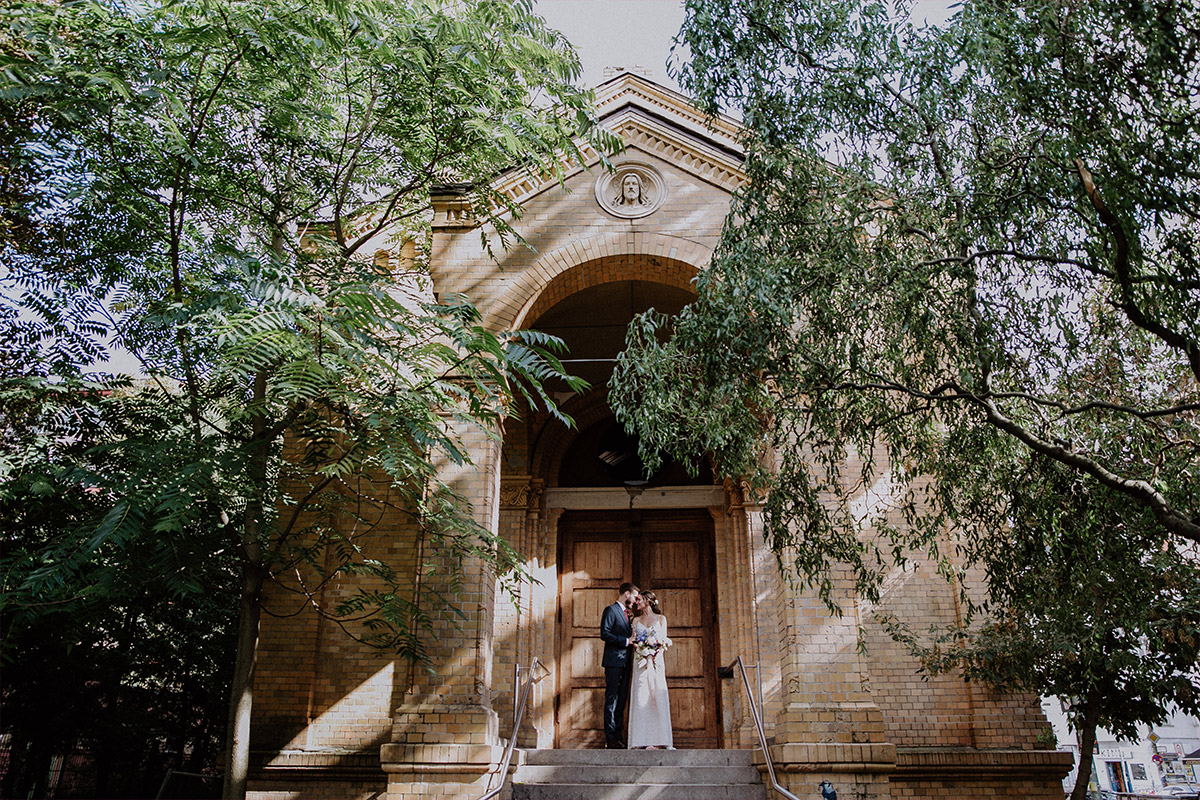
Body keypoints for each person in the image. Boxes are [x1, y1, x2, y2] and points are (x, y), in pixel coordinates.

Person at [627, 590, 673, 749]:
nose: (636, 602)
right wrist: (642, 649)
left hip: (656, 662)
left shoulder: (661, 619)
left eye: (639, 600)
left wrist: (654, 651)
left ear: (647, 601)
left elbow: (664, 640)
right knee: (641, 697)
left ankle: (659, 740)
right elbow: (633, 640)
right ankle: (640, 740)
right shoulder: (635, 620)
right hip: (640, 662)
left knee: (656, 696)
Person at [600, 582, 639, 749]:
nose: (636, 601)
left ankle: (618, 736)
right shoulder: (610, 610)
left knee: (622, 699)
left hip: (626, 663)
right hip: (614, 662)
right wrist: (626, 641)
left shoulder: (627, 614)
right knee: (612, 699)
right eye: (635, 597)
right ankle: (610, 738)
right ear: (627, 594)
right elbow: (605, 633)